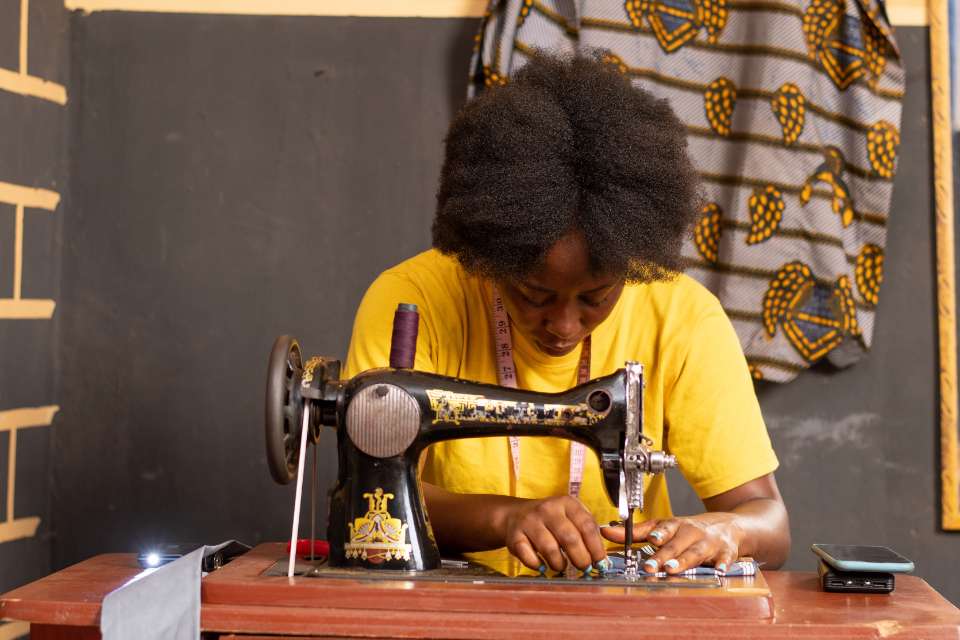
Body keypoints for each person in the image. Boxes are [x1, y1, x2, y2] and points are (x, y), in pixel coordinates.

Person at [344, 52, 790, 577]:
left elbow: (769, 521)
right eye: (533, 295)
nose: (564, 326)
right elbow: (370, 493)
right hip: (447, 607)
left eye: (595, 298)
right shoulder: (414, 300)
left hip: (621, 614)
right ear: (493, 260)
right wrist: (506, 517)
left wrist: (729, 530)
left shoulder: (682, 317)